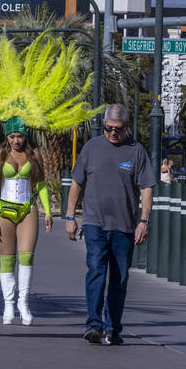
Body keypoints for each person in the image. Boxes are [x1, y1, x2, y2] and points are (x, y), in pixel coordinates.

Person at [64, 104, 154, 346]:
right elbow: (77, 183)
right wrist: (70, 217)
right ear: (104, 125)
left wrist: (144, 221)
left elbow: (146, 188)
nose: (113, 133)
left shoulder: (136, 151)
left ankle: (113, 327)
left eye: (118, 129)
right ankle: (94, 324)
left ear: (127, 127)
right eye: (109, 128)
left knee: (119, 278)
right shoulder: (92, 148)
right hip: (94, 222)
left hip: (125, 226)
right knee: (96, 269)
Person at [0, 117, 52, 325]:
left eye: (19, 136)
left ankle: (23, 303)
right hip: (4, 210)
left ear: (25, 136)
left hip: (28, 208)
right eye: (12, 136)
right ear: (7, 137)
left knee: (26, 257)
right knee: (7, 260)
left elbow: (41, 184)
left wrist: (47, 212)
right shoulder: (0, 155)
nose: (16, 140)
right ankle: (8, 305)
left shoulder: (34, 155)